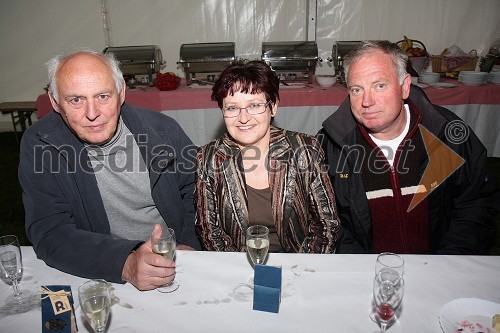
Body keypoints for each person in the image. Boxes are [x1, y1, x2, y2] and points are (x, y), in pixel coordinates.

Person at [19, 49, 201, 291]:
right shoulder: (41, 143)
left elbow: (196, 190)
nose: (92, 114)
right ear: (54, 102)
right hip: (97, 269)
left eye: (103, 96)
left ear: (121, 93)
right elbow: (49, 230)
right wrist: (125, 262)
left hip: (171, 262)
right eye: (76, 100)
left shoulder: (163, 131)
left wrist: (188, 242)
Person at [318, 40, 499, 254]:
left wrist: (447, 261)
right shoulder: (331, 144)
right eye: (357, 89)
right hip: (367, 273)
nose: (366, 101)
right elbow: (325, 219)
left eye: (380, 86)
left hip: (440, 269)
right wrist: (363, 268)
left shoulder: (448, 134)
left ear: (404, 86)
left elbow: (477, 205)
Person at [195, 59, 340, 253]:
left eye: (254, 105)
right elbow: (210, 232)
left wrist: (301, 272)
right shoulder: (209, 158)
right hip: (240, 266)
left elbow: (326, 226)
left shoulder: (305, 150)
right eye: (232, 108)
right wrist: (236, 271)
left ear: (273, 107)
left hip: (299, 264)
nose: (243, 118)